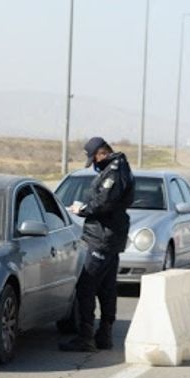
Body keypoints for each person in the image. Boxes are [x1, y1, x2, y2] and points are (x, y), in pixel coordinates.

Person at [60, 137, 135, 352]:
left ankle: (86, 336)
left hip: (103, 238)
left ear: (102, 153)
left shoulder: (114, 170)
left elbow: (105, 202)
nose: (94, 163)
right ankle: (104, 334)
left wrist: (82, 210)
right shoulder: (119, 167)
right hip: (109, 236)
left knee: (87, 286)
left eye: (94, 159)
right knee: (107, 287)